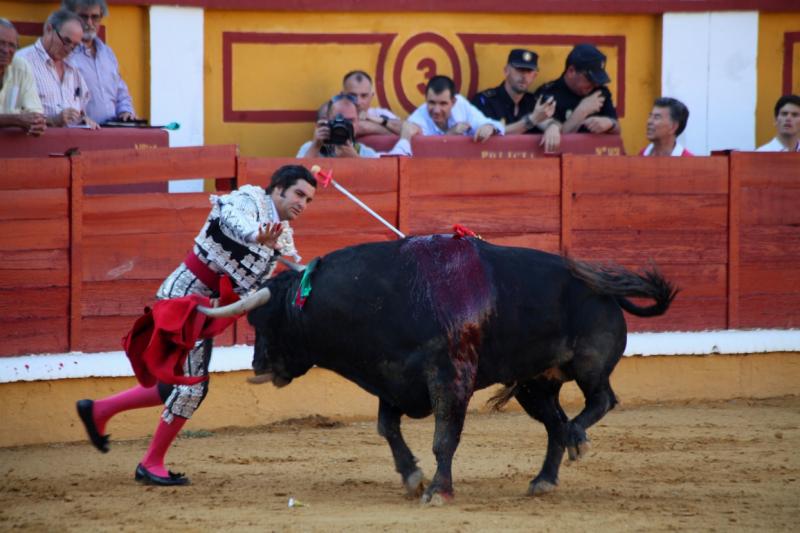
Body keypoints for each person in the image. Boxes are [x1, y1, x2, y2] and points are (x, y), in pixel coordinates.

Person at [76, 165, 318, 486]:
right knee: (192, 386)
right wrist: (255, 235)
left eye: (310, 199)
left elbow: (295, 271)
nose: (303, 203)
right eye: (300, 194)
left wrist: (322, 277)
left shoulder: (283, 232)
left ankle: (98, 411)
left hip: (210, 308)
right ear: (279, 188)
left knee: (171, 385)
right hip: (186, 298)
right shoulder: (248, 200)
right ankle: (151, 463)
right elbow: (234, 221)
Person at [16, 9, 99, 129]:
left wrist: (83, 120)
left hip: (71, 143)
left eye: (75, 45)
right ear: (49, 30)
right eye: (66, 41)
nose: (68, 49)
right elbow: (11, 113)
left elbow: (81, 108)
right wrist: (51, 120)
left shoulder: (73, 68)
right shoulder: (21, 62)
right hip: (34, 143)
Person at [532, 43, 619, 152]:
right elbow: (557, 140)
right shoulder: (548, 95)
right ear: (571, 71)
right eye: (590, 79)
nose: (594, 85)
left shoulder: (600, 92)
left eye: (597, 81)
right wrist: (582, 111)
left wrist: (610, 124)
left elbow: (618, 128)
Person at [61, 0, 136, 125]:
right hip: (81, 133)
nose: (89, 23)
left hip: (112, 133)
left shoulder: (107, 54)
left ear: (101, 17)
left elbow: (121, 92)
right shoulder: (65, 54)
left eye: (95, 17)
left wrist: (125, 111)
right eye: (83, 17)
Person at [297, 93, 419, 158]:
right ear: (327, 121)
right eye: (338, 119)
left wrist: (354, 158)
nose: (343, 125)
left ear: (357, 123)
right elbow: (297, 181)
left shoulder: (364, 152)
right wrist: (315, 146)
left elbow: (378, 182)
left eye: (350, 121)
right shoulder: (309, 148)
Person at [470, 48, 555, 134]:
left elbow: (554, 123)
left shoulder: (534, 102)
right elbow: (487, 135)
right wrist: (531, 121)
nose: (524, 76)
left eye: (529, 71)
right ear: (506, 71)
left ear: (534, 76)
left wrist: (552, 127)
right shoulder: (485, 101)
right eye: (520, 70)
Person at [408, 75, 504, 142]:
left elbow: (494, 125)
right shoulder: (417, 119)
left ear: (453, 102)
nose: (436, 110)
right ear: (426, 99)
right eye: (432, 103)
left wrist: (490, 127)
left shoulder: (461, 105)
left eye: (443, 103)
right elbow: (423, 152)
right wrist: (449, 135)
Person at [0, 18, 46, 135]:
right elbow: (19, 119)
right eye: (1, 43)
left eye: (12, 45)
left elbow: (35, 110)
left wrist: (36, 123)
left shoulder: (21, 66)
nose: (6, 50)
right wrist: (15, 120)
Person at [342, 70, 402, 136]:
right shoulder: (332, 114)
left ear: (371, 96)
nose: (358, 102)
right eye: (352, 96)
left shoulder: (380, 114)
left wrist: (372, 118)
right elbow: (361, 127)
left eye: (364, 96)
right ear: (342, 96)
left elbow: (407, 129)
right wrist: (388, 130)